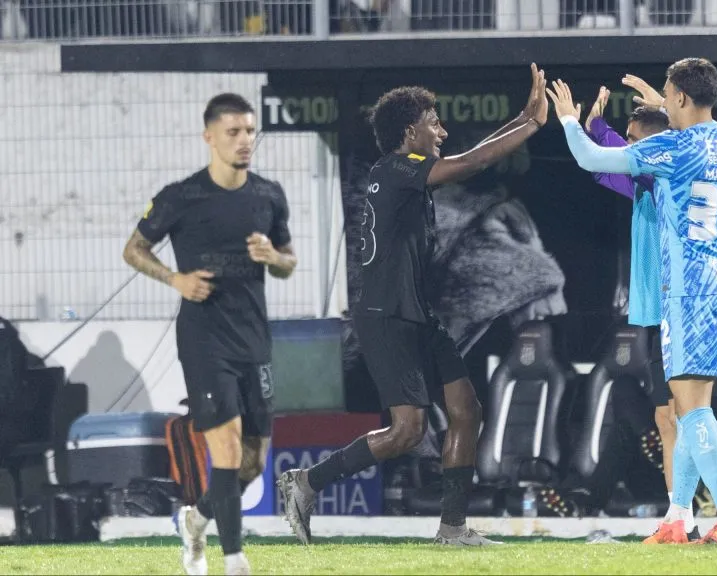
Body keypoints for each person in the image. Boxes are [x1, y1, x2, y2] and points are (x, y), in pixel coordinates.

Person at [276, 63, 550, 547]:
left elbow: (467, 155)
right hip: (387, 318)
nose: (442, 131)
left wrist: (523, 117)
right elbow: (470, 163)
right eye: (434, 123)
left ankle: (453, 529)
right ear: (410, 131)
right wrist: (528, 126)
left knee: (466, 409)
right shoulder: (394, 170)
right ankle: (307, 483)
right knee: (406, 431)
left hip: (419, 315)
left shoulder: (406, 175)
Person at [546, 58, 717, 544]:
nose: (661, 98)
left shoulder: (672, 147)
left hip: (690, 291)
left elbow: (594, 160)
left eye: (666, 93)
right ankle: (678, 518)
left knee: (694, 410)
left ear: (680, 98)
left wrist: (571, 121)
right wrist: (668, 102)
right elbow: (696, 117)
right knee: (686, 408)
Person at [122, 93, 297, 576]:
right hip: (204, 339)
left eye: (249, 131)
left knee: (252, 464)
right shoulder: (182, 196)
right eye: (234, 133)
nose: (245, 141)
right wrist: (174, 279)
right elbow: (133, 249)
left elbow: (289, 260)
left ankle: (195, 519)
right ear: (210, 137)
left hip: (254, 339)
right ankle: (234, 559)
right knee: (224, 448)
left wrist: (274, 258)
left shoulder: (268, 194)